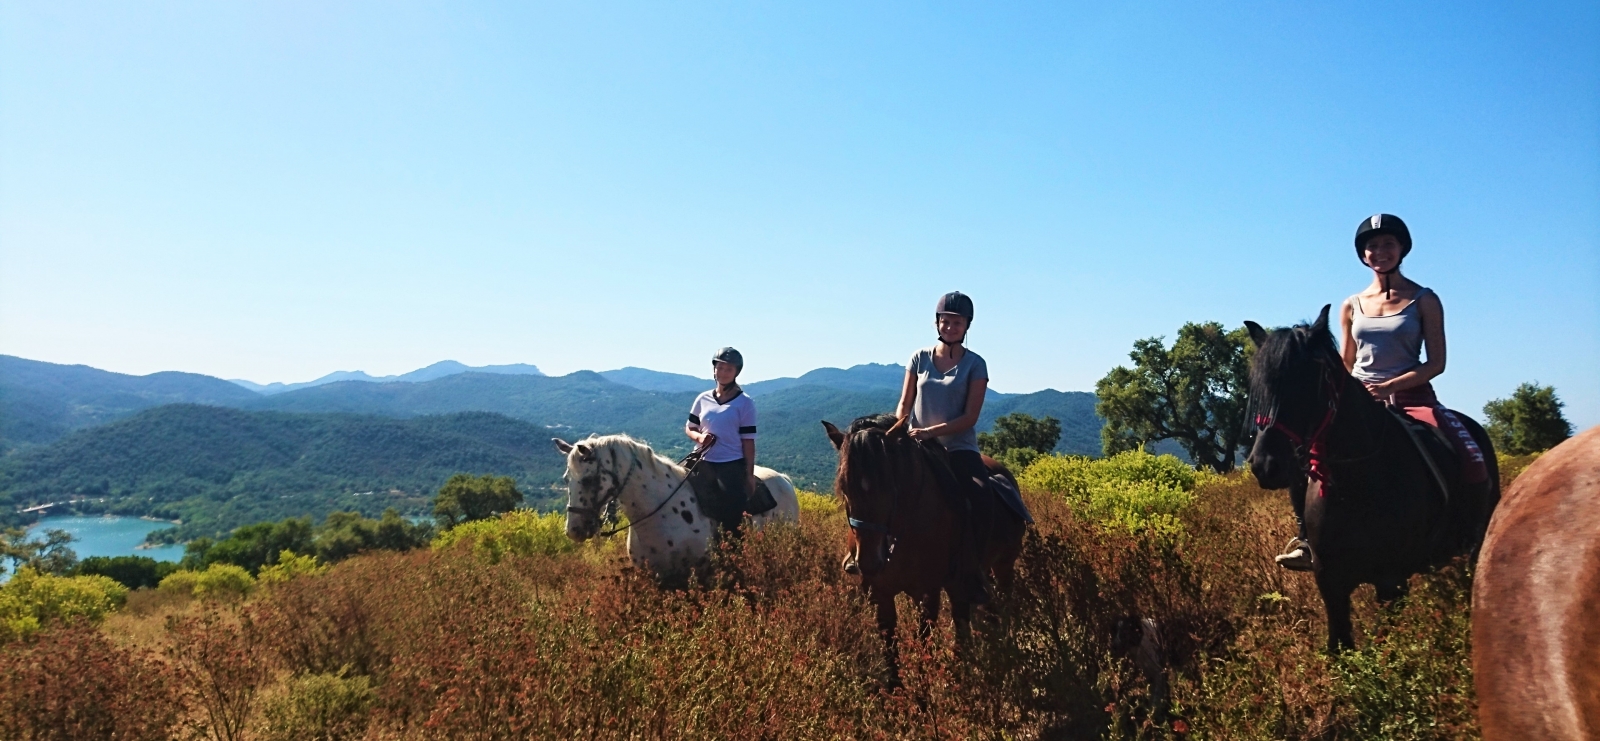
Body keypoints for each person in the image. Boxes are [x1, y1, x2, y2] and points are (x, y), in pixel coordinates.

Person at [1275, 214, 1487, 570]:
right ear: (1363, 255)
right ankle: (1307, 540)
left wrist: (1389, 386)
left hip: (1412, 399)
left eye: (1388, 244)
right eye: (1372, 246)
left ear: (1402, 248)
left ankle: (1468, 533)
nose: (1380, 251)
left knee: (1469, 455)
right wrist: (1345, 394)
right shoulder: (1351, 305)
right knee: (1305, 455)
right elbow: (1347, 361)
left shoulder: (1424, 300)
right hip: (1357, 403)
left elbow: (1436, 362)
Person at [895, 291, 994, 602]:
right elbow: (904, 403)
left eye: (957, 322)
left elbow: (970, 417)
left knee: (979, 498)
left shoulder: (976, 365)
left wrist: (931, 432)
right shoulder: (919, 358)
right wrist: (900, 429)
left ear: (967, 326)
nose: (950, 326)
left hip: (958, 449)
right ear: (937, 323)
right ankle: (869, 558)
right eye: (946, 321)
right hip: (917, 446)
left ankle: (976, 570)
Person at [685, 347, 759, 537]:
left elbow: (748, 441)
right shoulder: (703, 398)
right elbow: (690, 427)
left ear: (736, 372)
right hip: (702, 460)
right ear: (714, 369)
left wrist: (749, 475)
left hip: (730, 463)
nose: (723, 373)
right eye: (720, 368)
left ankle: (734, 548)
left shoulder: (744, 403)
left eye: (729, 369)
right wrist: (700, 438)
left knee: (732, 509)